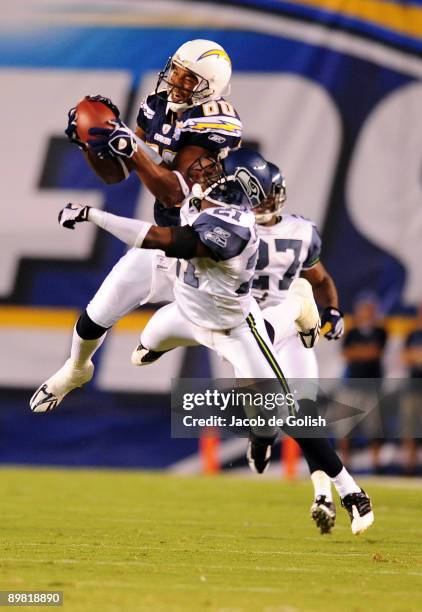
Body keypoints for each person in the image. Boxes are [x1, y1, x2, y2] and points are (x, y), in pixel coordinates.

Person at [50, 148, 374, 535]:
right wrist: (129, 142)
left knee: (287, 411)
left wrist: (92, 215)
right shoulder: (202, 200)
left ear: (235, 193)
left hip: (234, 329)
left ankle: (351, 491)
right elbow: (167, 183)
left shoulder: (232, 228)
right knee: (144, 349)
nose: (206, 178)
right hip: (187, 315)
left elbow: (156, 237)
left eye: (217, 178)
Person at [30, 39, 241, 412]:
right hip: (165, 242)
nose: (176, 81)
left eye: (188, 78)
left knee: (232, 344)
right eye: (175, 70)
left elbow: (176, 192)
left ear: (210, 84)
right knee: (95, 316)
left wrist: (130, 146)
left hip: (205, 252)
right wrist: (93, 145)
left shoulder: (212, 123)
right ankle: (76, 369)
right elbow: (118, 174)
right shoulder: (158, 107)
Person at [250, 163, 344, 534]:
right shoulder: (226, 226)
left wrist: (333, 310)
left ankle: (323, 494)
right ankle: (261, 440)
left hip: (291, 323)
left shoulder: (300, 231)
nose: (265, 202)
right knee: (268, 416)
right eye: (258, 194)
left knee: (304, 414)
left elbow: (319, 279)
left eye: (270, 193)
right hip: (249, 329)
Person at [340, 294, 387, 472]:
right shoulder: (351, 332)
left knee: (374, 428)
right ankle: (345, 463)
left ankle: (375, 464)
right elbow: (347, 354)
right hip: (352, 385)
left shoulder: (380, 331)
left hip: (373, 385)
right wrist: (363, 352)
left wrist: (358, 352)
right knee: (346, 427)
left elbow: (375, 352)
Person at [400, 304, 422, 475]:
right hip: (413, 387)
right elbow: (405, 358)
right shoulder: (412, 334)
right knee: (410, 428)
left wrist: (416, 356)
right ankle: (410, 465)